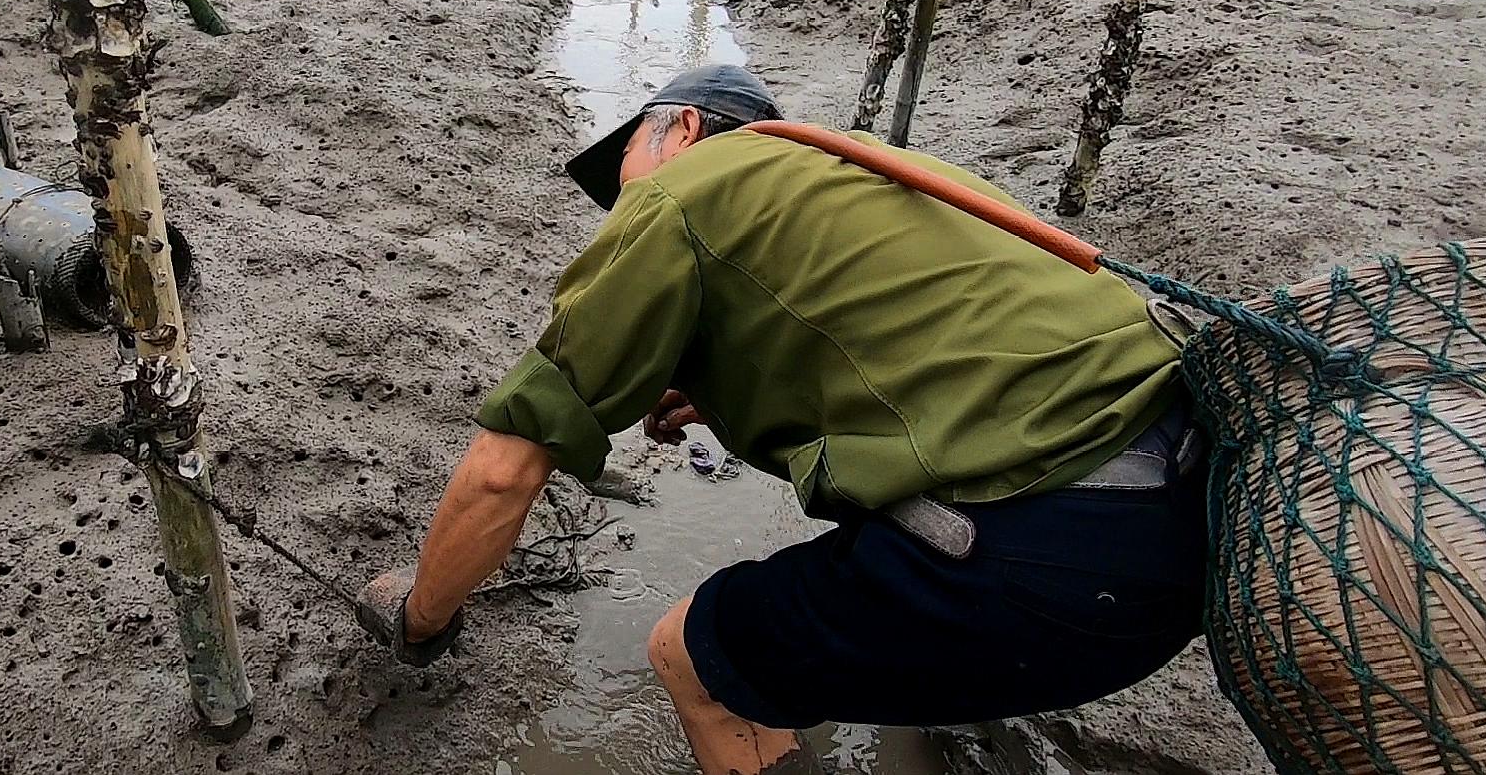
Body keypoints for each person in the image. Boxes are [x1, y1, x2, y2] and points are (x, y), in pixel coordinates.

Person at [358, 66, 1206, 775]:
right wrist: (739, 391)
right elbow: (927, 361)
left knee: (694, 653)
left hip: (1050, 557)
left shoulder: (679, 197)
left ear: (681, 129)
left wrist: (422, 616)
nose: (616, 205)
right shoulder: (872, 174)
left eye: (621, 166)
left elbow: (506, 467)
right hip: (1192, 533)